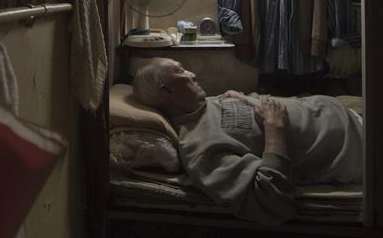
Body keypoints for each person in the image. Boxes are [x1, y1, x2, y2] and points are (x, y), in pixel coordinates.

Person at [131, 57, 363, 226]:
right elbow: (272, 202)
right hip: (357, 143)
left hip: (347, 113)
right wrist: (275, 128)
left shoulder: (207, 103)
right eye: (180, 71)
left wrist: (248, 100)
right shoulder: (200, 148)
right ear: (166, 92)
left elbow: (245, 120)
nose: (192, 74)